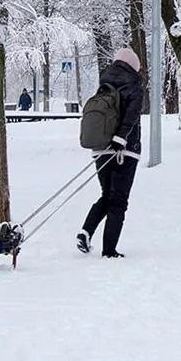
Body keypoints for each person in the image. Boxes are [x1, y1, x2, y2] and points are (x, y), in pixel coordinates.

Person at [77, 47, 143, 258]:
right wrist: (121, 138)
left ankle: (86, 231)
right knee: (119, 200)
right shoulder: (134, 86)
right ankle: (109, 250)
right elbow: (131, 116)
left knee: (107, 195)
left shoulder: (103, 85)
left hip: (100, 149)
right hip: (124, 151)